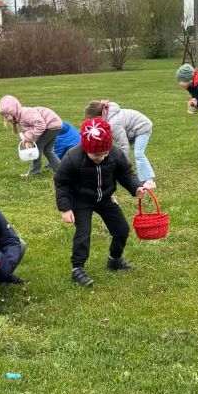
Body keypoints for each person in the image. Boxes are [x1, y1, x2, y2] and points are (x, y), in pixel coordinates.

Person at [53, 118, 147, 288]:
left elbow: (126, 174)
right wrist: (65, 208)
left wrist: (136, 187)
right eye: (96, 155)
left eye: (105, 153)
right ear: (85, 148)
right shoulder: (73, 157)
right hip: (81, 200)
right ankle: (77, 268)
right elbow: (62, 182)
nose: (101, 158)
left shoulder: (115, 154)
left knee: (122, 230)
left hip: (105, 198)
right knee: (83, 233)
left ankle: (114, 260)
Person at [85, 100, 156, 188]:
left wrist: (125, 169)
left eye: (93, 121)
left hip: (143, 127)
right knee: (117, 150)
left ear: (99, 117)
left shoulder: (113, 123)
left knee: (138, 153)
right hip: (132, 130)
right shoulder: (108, 116)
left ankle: (149, 180)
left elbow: (124, 145)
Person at [0, 95, 62, 176]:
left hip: (52, 124)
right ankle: (61, 171)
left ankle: (34, 172)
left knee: (38, 147)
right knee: (48, 150)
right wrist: (27, 140)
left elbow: (41, 124)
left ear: (13, 111)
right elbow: (28, 129)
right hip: (54, 124)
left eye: (6, 116)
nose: (6, 119)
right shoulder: (20, 117)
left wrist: (29, 138)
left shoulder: (25, 113)